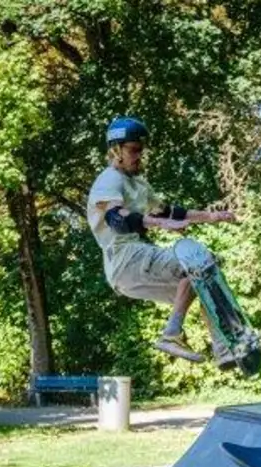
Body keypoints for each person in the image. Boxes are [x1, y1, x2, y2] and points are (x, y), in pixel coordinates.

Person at [87, 117, 238, 362]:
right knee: (200, 262)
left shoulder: (138, 183)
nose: (139, 156)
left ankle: (225, 349)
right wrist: (159, 223)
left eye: (141, 151)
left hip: (127, 276)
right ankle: (170, 335)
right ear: (116, 151)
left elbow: (168, 212)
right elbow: (117, 219)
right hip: (126, 257)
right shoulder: (109, 179)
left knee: (202, 283)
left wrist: (212, 216)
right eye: (133, 150)